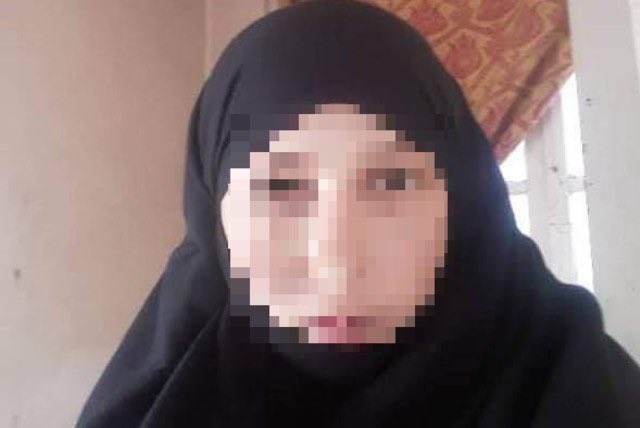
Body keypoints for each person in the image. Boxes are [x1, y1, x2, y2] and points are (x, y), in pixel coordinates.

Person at [76, 1, 640, 427]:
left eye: (391, 182)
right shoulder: (157, 404)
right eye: (280, 186)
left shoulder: (575, 386)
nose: (338, 265)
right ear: (214, 213)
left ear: (461, 202)